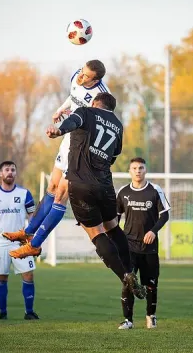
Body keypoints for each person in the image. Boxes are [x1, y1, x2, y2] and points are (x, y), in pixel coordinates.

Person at [2, 60, 110, 258]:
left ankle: (35, 244)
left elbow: (101, 125)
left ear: (97, 80)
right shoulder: (77, 75)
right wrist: (62, 109)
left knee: (61, 194)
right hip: (69, 140)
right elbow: (74, 96)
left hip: (82, 150)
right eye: (82, 72)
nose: (81, 76)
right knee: (52, 186)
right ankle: (27, 232)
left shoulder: (102, 97)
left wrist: (64, 128)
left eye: (86, 76)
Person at [46, 92, 146, 300]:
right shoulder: (118, 126)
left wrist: (58, 130)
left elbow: (74, 121)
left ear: (94, 103)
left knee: (95, 232)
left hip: (81, 183)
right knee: (112, 227)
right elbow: (113, 156)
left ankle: (125, 275)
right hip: (105, 185)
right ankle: (130, 269)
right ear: (111, 108)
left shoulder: (86, 112)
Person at [116, 157, 170, 330]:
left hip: (149, 248)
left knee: (151, 284)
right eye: (134, 168)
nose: (138, 171)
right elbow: (115, 218)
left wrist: (153, 231)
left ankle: (150, 316)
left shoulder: (155, 190)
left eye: (141, 168)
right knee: (128, 282)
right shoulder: (123, 192)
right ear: (129, 171)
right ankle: (128, 320)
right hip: (129, 247)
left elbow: (165, 215)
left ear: (145, 170)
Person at [0, 161, 39, 320]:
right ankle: (3, 313)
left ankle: (29, 312)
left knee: (28, 275)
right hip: (0, 243)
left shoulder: (24, 194)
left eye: (13, 170)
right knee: (2, 277)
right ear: (1, 174)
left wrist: (32, 236)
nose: (10, 172)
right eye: (7, 170)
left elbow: (32, 215)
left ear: (16, 173)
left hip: (21, 242)